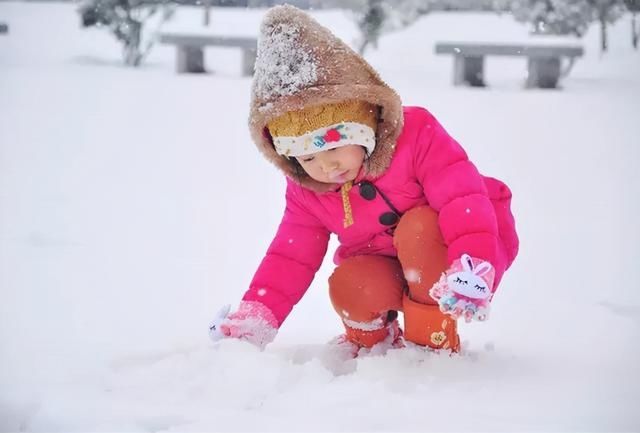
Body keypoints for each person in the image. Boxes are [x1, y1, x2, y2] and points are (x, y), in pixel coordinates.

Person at [209, 5, 519, 354]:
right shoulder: (308, 190)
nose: (326, 167)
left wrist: (474, 263)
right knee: (348, 283)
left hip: (455, 248)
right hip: (387, 262)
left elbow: (462, 198)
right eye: (308, 157)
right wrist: (257, 315)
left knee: (419, 226)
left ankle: (432, 345)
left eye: (335, 147)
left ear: (363, 127)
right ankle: (374, 348)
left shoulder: (417, 136)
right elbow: (289, 256)